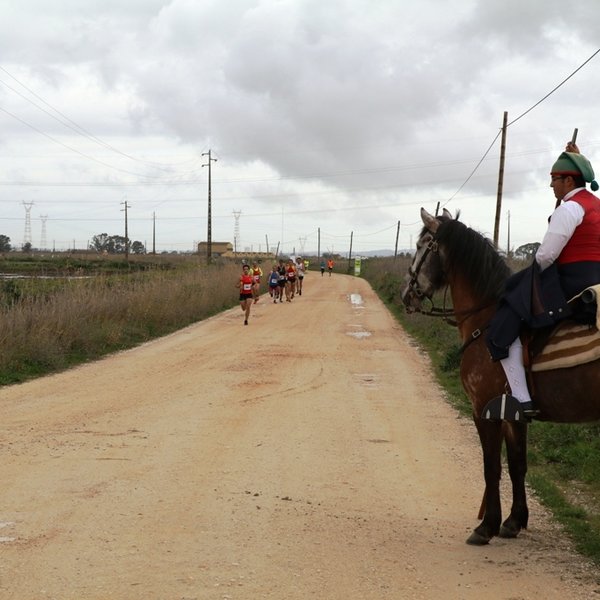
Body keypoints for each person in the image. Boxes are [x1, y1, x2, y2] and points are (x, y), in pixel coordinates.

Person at [486, 141, 600, 419]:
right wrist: (576, 155)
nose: (551, 186)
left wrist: (532, 272)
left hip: (571, 281)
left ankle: (522, 400)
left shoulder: (569, 209)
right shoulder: (595, 205)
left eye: (554, 179)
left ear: (568, 179)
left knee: (508, 313)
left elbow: (546, 255)